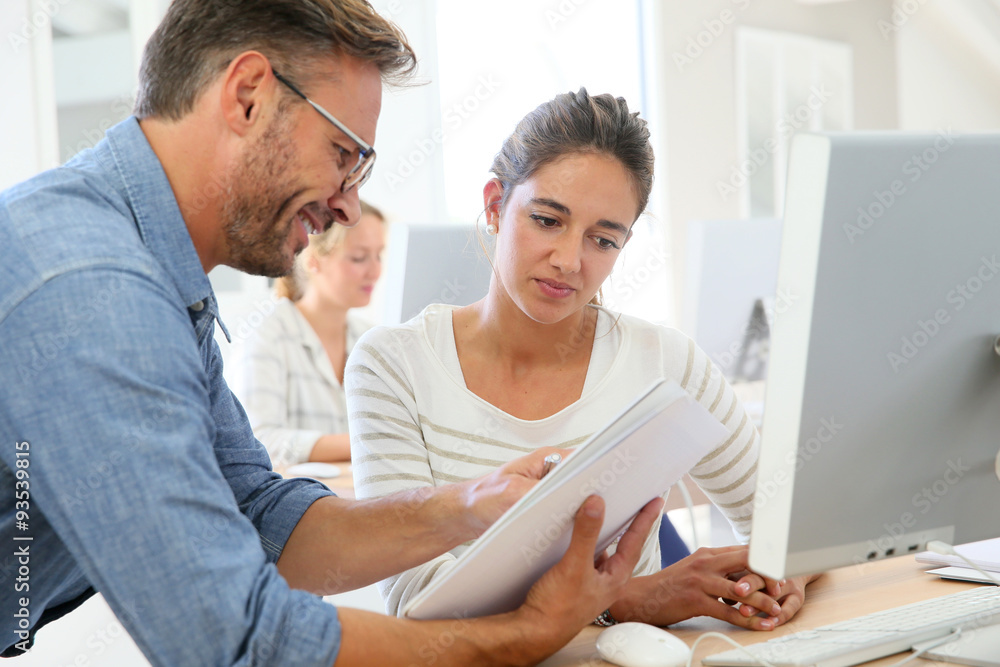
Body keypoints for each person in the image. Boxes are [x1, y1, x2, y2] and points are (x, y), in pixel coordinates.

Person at [0, 2, 664, 665]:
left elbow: (264, 517)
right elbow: (234, 640)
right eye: (343, 153)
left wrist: (470, 503)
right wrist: (519, 638)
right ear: (249, 94)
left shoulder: (156, 277)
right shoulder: (94, 284)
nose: (348, 203)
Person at [347, 88, 818, 629]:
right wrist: (625, 599)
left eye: (603, 240)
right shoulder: (392, 365)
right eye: (548, 220)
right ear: (496, 205)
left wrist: (779, 578)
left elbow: (791, 530)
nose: (570, 261)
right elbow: (416, 602)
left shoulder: (665, 360)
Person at [230, 201, 385, 466]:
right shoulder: (267, 336)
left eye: (379, 255)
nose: (375, 271)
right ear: (314, 261)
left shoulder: (372, 341)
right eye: (359, 257)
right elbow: (260, 441)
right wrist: (367, 442)